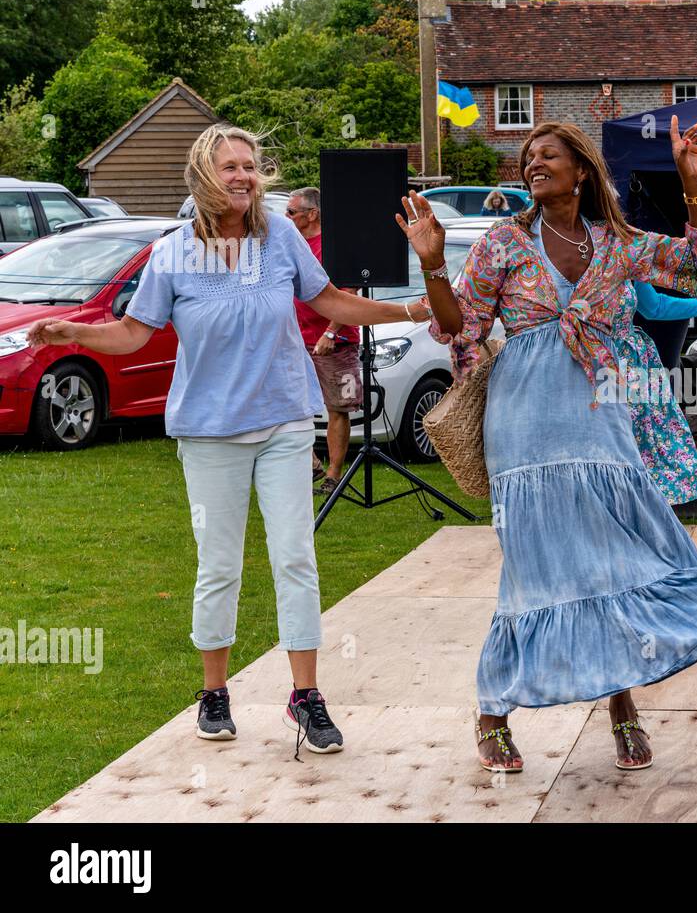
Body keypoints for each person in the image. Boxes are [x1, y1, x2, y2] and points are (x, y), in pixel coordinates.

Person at [398, 117, 697, 773]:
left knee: (615, 562)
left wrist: (693, 182)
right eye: (527, 157)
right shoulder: (503, 241)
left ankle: (621, 703)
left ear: (581, 171)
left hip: (603, 420)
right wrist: (433, 259)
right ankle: (493, 711)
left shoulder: (619, 243)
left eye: (547, 154)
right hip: (524, 428)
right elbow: (456, 324)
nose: (533, 163)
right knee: (535, 567)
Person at [27, 124, 433, 756]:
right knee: (219, 565)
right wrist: (71, 334)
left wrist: (411, 310)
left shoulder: (282, 237)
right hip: (209, 431)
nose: (244, 176)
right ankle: (214, 693)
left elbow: (330, 300)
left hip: (284, 420)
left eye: (250, 165)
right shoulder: (172, 254)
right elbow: (134, 334)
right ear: (203, 177)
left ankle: (306, 695)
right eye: (230, 167)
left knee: (294, 556)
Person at [287, 186, 361, 496]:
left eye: (291, 212)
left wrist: (331, 332)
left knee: (336, 408)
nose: (286, 217)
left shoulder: (333, 246)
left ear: (312, 214)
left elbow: (349, 292)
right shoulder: (291, 245)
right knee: (291, 407)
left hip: (336, 342)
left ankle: (333, 475)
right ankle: (312, 464)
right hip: (296, 339)